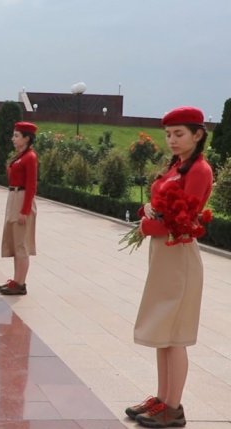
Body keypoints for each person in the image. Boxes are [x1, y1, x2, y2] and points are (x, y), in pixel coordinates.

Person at [125, 107, 213, 428]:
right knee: (163, 331)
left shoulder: (200, 170)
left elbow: (184, 223)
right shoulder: (177, 166)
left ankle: (173, 409)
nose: (172, 140)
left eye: (179, 134)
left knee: (174, 335)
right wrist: (146, 211)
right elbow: (161, 205)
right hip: (163, 255)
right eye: (168, 134)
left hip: (179, 257)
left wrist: (146, 226)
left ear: (197, 135)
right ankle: (161, 399)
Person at [0, 122, 38, 296]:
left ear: (27, 138)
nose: (13, 139)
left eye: (17, 136)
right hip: (14, 197)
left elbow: (31, 186)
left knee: (21, 245)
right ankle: (16, 280)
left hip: (22, 199)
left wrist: (25, 210)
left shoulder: (30, 157)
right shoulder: (20, 156)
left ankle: (20, 283)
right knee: (15, 242)